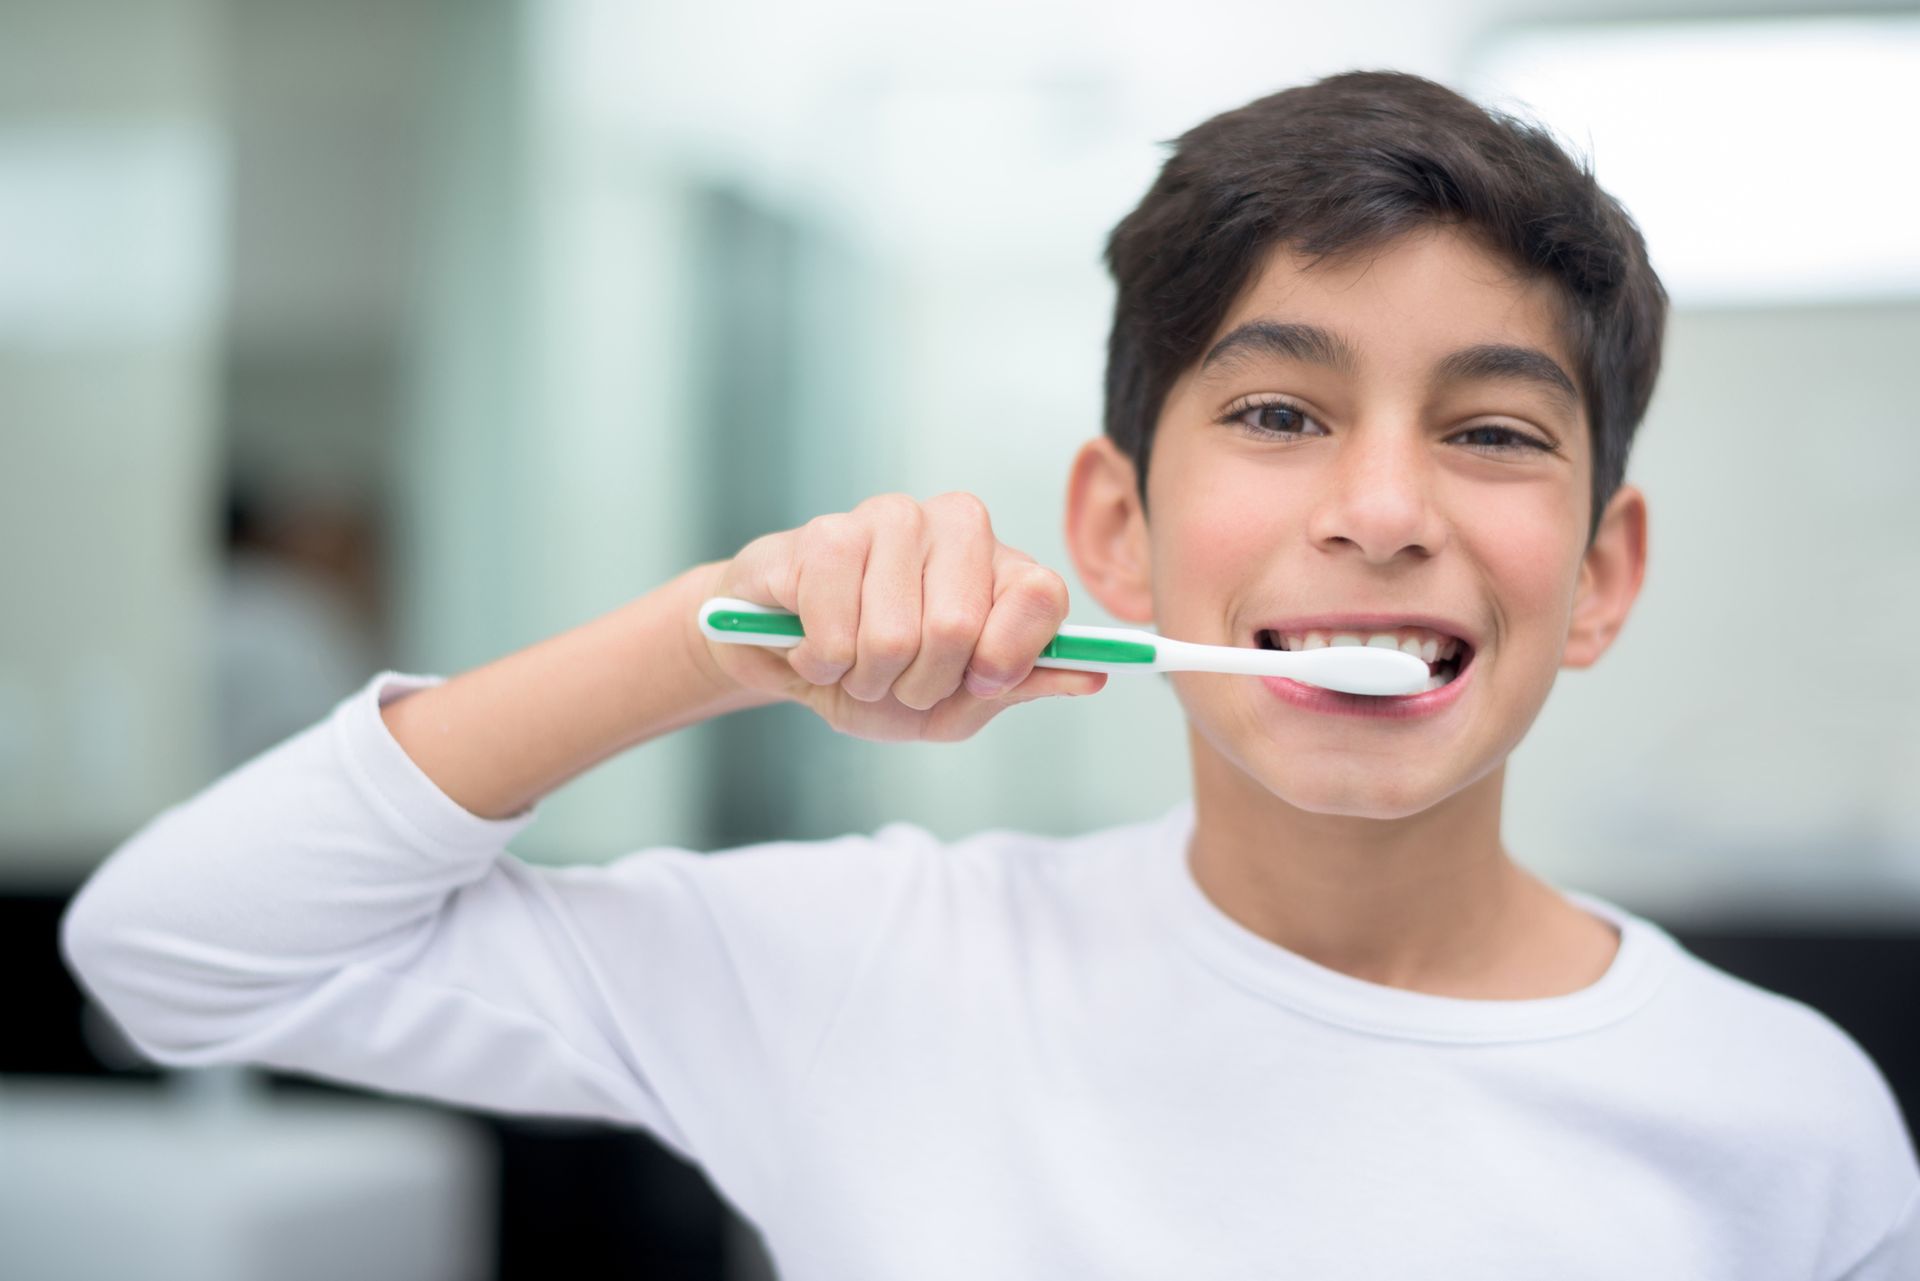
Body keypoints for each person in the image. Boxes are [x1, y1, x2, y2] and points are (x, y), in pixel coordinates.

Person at [60, 70, 1918, 1278]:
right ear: (1113, 529)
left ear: (1601, 576)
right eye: (1279, 410)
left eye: (1494, 432)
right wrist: (718, 629)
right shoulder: (876, 962)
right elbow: (175, 947)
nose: (1380, 506)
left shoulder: (1780, 1118)